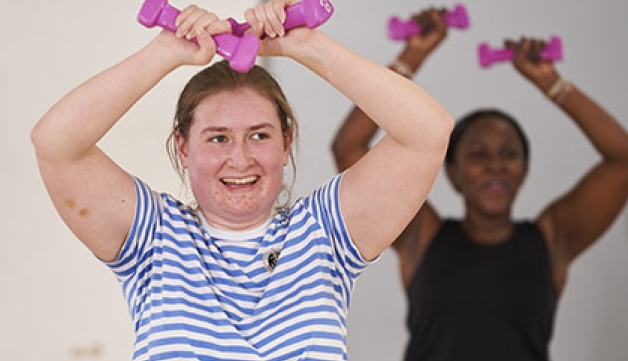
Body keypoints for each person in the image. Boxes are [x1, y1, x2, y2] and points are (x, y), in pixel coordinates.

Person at [30, 1, 453, 360]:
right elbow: (56, 143)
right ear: (183, 147)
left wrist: (308, 45)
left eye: (259, 135)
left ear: (286, 143)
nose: (240, 158)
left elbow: (427, 133)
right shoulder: (154, 236)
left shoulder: (324, 231)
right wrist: (163, 53)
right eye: (217, 138)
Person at [331, 7, 628, 361]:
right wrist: (414, 53)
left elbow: (622, 160)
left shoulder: (553, 240)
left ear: (525, 170)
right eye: (478, 155)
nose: (495, 166)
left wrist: (551, 82)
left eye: (509, 154)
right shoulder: (421, 237)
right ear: (452, 172)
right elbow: (349, 147)